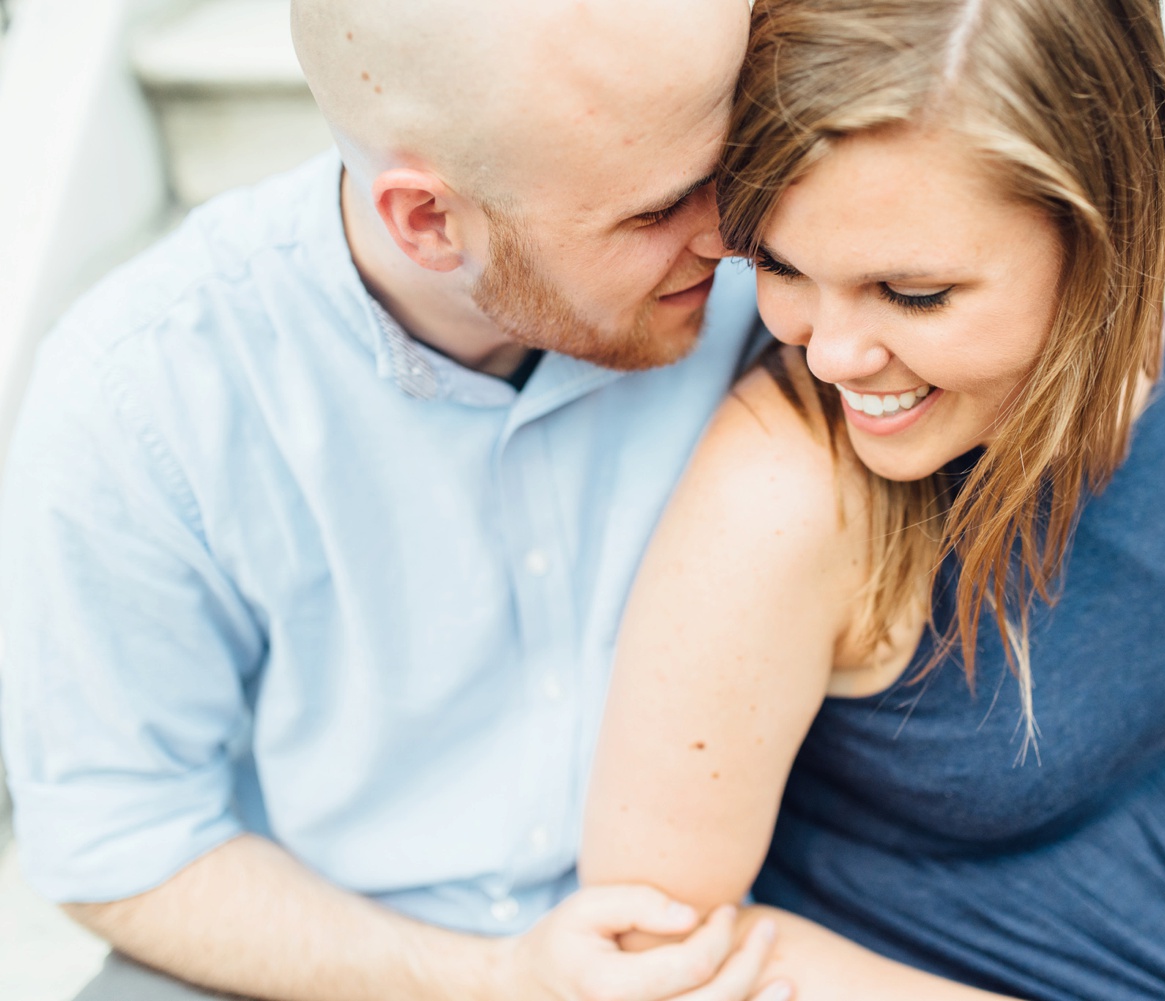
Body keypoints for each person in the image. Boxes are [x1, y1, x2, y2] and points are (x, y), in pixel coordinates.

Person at [580, 1, 1165, 999]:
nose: (831, 353)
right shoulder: (779, 494)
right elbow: (655, 950)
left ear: (1102, 230)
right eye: (783, 266)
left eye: (913, 292)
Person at [1, 1, 793, 998]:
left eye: (725, 166)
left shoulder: (776, 286)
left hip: (730, 937)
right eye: (652, 212)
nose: (727, 236)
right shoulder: (143, 397)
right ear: (428, 221)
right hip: (335, 955)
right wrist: (500, 980)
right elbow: (120, 838)